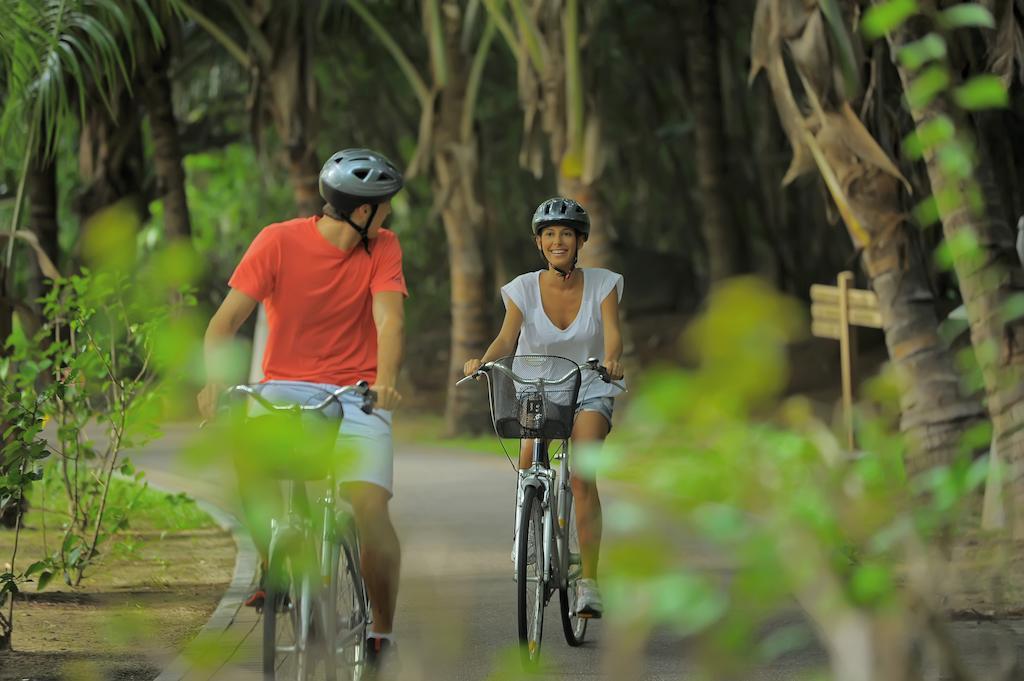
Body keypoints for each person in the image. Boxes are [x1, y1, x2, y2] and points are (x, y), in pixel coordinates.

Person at [197, 148, 407, 666]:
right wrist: (212, 386)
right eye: (384, 207)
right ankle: (276, 564)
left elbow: (389, 321)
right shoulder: (277, 241)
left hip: (358, 392)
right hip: (284, 387)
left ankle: (380, 632)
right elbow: (225, 324)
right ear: (362, 213)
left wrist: (384, 382)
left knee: (370, 509)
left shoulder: (382, 248)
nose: (388, 217)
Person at [463, 197, 624, 618]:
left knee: (583, 477)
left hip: (589, 385)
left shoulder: (604, 284)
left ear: (579, 241)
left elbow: (613, 337)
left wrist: (612, 360)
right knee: (529, 463)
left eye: (566, 234)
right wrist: (483, 360)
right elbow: (506, 339)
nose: (558, 241)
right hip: (537, 387)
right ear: (539, 242)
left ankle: (589, 581)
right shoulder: (522, 288)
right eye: (550, 234)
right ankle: (530, 528)